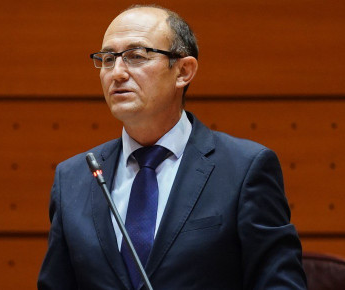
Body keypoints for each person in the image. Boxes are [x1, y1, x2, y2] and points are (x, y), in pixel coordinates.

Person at [37, 4, 307, 290]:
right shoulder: (73, 178)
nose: (116, 73)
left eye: (135, 56)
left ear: (183, 71)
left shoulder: (244, 169)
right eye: (107, 59)